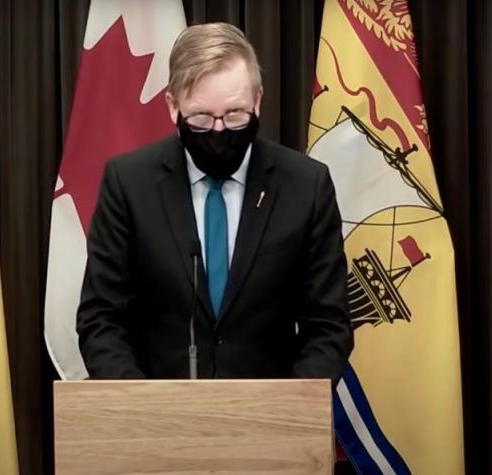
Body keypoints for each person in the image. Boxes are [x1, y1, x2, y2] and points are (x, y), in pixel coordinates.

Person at [76, 22, 352, 381]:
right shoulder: (129, 183)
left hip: (271, 423)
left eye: (235, 114)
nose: (219, 130)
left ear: (258, 100)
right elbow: (101, 318)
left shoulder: (306, 185)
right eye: (202, 118)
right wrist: (142, 409)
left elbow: (329, 325)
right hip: (158, 422)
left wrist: (289, 408)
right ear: (173, 107)